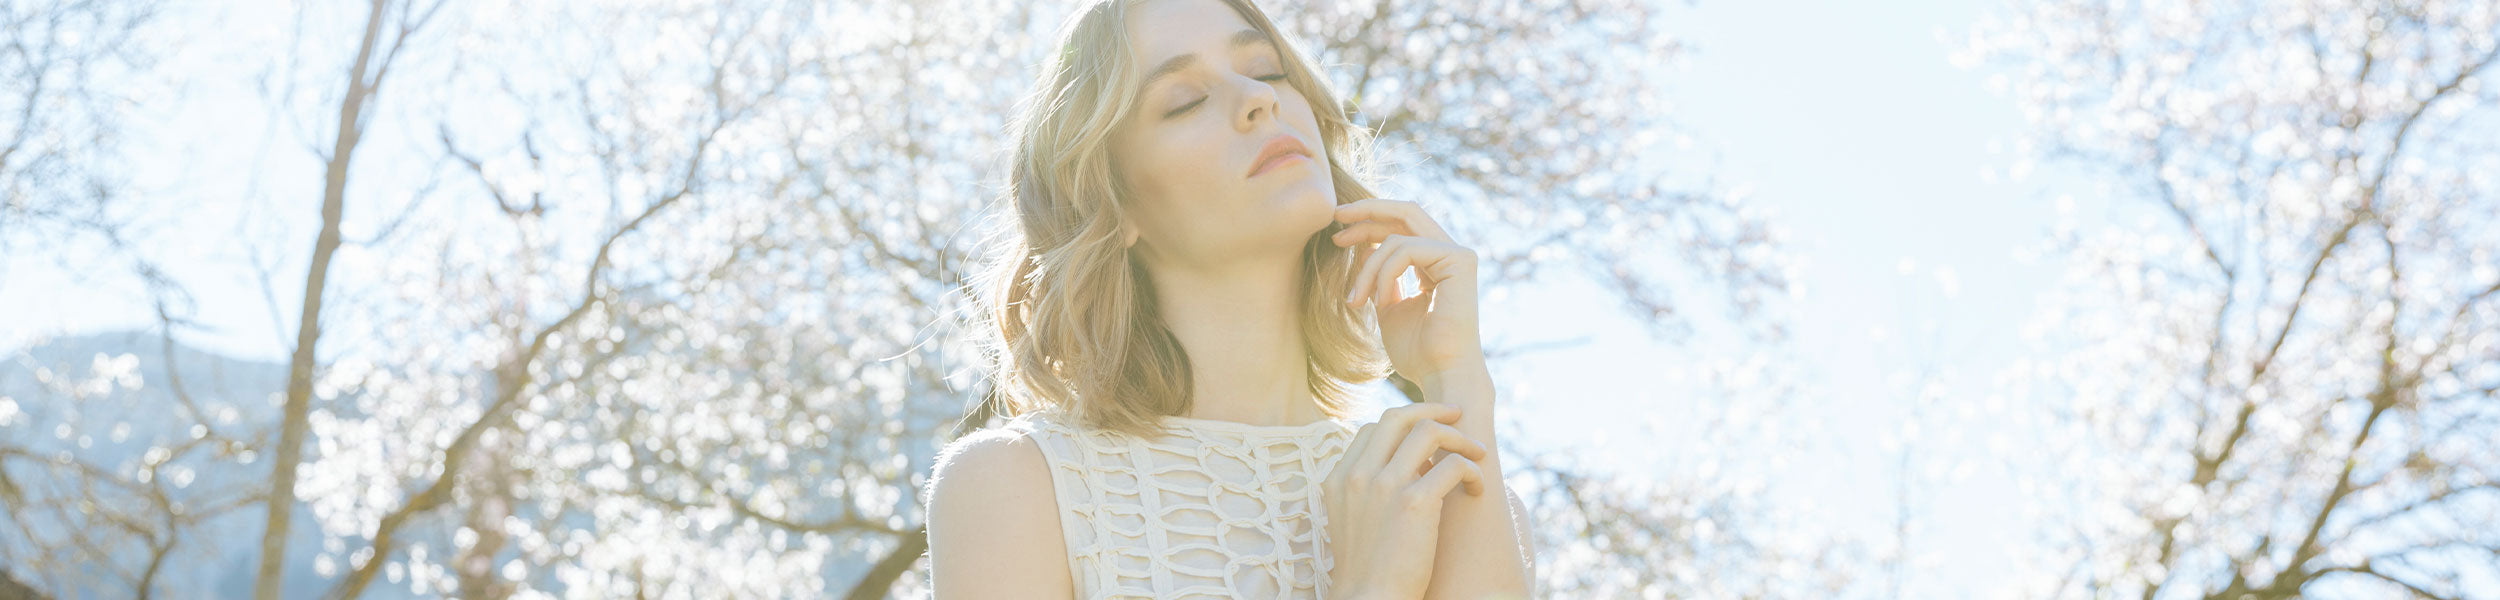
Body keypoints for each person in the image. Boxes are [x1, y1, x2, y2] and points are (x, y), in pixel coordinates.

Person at [923, 0, 1535, 597]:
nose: (1259, 98)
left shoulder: (1442, 496)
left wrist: (1456, 380)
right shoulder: (1016, 484)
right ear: (1113, 203)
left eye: (1268, 70)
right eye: (1184, 102)